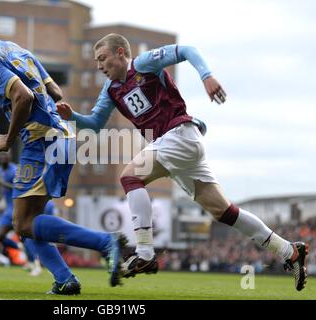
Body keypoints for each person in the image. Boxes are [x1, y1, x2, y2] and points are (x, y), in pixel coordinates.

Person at [56, 33, 309, 291]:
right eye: (97, 61)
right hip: (176, 146)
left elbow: (187, 50)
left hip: (179, 135)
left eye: (102, 59)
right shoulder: (110, 91)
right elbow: (95, 124)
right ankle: (289, 250)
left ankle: (144, 253)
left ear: (120, 53)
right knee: (225, 212)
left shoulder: (143, 64)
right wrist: (71, 116)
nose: (99, 66)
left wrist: (206, 76)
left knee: (130, 177)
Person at [0, 5, 127, 295]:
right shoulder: (18, 50)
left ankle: (105, 243)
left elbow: (21, 96)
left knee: (22, 223)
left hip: (41, 142)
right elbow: (56, 92)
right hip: (61, 137)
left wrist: (9, 140)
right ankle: (65, 279)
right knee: (27, 222)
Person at [0, 151, 42, 276]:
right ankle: (20, 248)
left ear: (10, 156)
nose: (3, 157)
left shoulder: (15, 170)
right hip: (8, 209)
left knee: (24, 234)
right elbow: (1, 187)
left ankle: (35, 263)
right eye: (1, 155)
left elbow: (19, 187)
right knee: (0, 235)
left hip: (17, 207)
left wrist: (2, 184)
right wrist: (0, 193)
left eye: (6, 155)